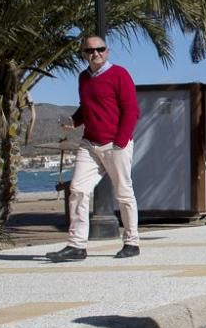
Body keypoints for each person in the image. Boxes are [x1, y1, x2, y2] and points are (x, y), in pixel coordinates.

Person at [47, 35, 141, 262]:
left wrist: (121, 141)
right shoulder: (84, 78)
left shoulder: (120, 75)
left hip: (115, 144)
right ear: (84, 54)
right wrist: (74, 121)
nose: (95, 54)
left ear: (107, 51)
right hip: (90, 143)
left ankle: (132, 242)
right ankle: (77, 246)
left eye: (99, 49)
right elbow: (86, 108)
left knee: (123, 193)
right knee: (78, 190)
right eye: (90, 51)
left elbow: (131, 110)